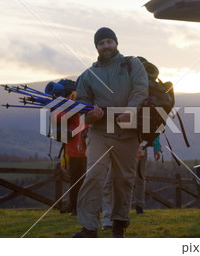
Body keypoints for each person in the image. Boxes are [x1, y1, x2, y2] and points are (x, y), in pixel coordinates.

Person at [72, 27, 148, 238]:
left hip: (129, 133)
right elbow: (83, 107)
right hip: (100, 133)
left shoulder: (133, 65)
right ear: (96, 47)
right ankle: (88, 228)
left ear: (116, 42)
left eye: (108, 41)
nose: (105, 46)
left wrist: (130, 111)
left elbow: (141, 89)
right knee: (94, 176)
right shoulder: (88, 75)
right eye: (101, 43)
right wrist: (91, 117)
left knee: (123, 180)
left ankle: (119, 225)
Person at [59, 91, 88, 216]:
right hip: (76, 150)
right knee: (76, 179)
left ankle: (77, 207)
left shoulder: (71, 100)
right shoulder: (70, 100)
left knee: (79, 179)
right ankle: (75, 206)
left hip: (82, 149)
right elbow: (58, 117)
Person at [134, 136, 161, 214]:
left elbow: (155, 128)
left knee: (139, 178)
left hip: (140, 148)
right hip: (140, 148)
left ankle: (138, 206)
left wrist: (156, 147)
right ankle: (138, 206)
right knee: (139, 178)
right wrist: (156, 148)